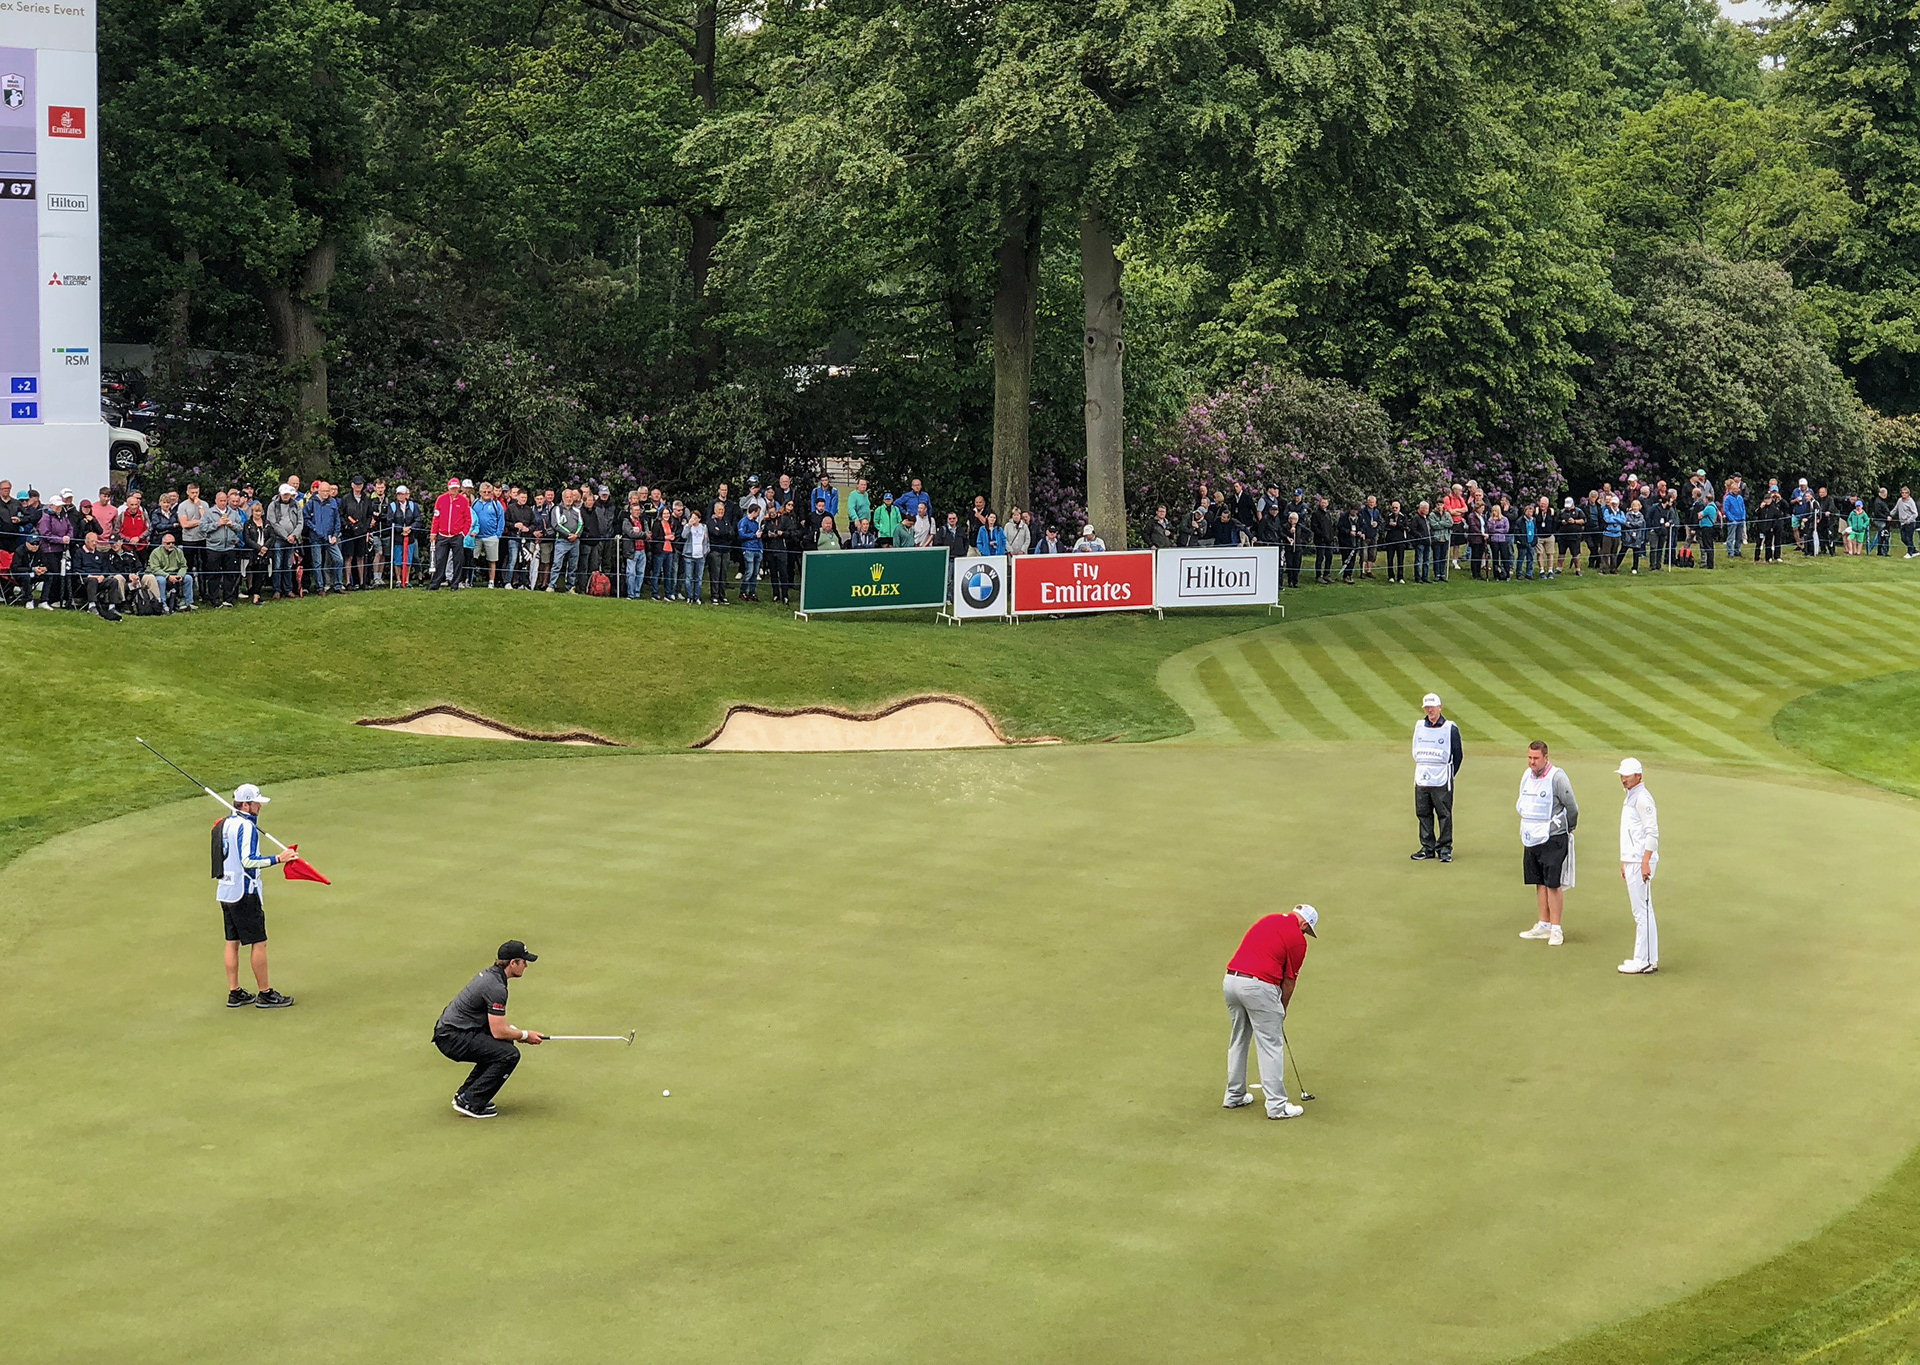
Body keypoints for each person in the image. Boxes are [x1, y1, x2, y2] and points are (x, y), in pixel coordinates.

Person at [1221, 904, 1318, 1120]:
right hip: (1258, 986)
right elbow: (1289, 981)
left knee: (1239, 1039)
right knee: (1270, 1044)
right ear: (1304, 923)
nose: (1305, 934)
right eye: (1306, 930)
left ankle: (1234, 1095)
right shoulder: (1297, 939)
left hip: (1231, 981)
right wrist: (1281, 1010)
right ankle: (1277, 1106)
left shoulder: (1269, 919)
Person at [433, 940, 545, 1119]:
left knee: (501, 1047)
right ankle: (471, 1101)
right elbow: (499, 1031)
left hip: (454, 1032)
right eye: (524, 962)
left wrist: (516, 1033)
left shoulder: (493, 976)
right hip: (453, 1037)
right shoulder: (496, 987)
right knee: (508, 1054)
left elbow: (497, 1027)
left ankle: (466, 1094)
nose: (526, 966)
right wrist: (525, 1035)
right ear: (513, 963)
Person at [214, 784, 296, 1009]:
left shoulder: (224, 823)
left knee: (232, 941)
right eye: (256, 802)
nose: (260, 806)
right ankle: (265, 993)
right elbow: (248, 861)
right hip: (245, 892)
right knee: (259, 942)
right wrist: (278, 859)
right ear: (246, 804)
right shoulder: (246, 827)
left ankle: (235, 992)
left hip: (226, 890)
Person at [1517, 741, 1579, 947]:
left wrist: (1567, 828)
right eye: (1529, 758)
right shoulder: (1527, 775)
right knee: (1539, 880)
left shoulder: (1557, 777)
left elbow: (1572, 808)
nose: (1531, 762)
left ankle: (1556, 928)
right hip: (1532, 836)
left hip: (1553, 836)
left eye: (1535, 758)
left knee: (1553, 883)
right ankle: (1543, 924)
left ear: (1546, 757)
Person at [1615, 758, 1660, 974]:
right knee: (1641, 910)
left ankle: (1645, 961)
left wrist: (1644, 862)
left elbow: (1652, 833)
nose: (1624, 779)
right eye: (1622, 775)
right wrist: (1625, 861)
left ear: (1639, 777)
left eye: (1628, 775)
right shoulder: (1631, 796)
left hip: (1641, 860)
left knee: (1642, 911)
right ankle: (1645, 958)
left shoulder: (1642, 798)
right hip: (1633, 859)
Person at [1410, 693, 1463, 862]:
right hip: (1422, 778)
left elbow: (1458, 755)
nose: (1430, 710)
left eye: (1432, 707)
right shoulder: (1419, 726)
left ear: (1440, 707)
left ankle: (1445, 848)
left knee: (1444, 814)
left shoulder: (1450, 728)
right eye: (1427, 707)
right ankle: (1428, 847)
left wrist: (1450, 775)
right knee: (1423, 813)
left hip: (1442, 779)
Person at [266, 483, 304, 599]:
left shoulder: (296, 505)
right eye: (285, 494)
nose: (287, 496)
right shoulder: (273, 505)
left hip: (292, 540)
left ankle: (288, 589)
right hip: (278, 539)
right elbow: (273, 522)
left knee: (288, 565)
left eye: (288, 494)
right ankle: (277, 590)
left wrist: (294, 535)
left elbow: (300, 522)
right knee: (277, 565)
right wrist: (285, 535)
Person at [147, 533, 194, 611]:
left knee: (188, 578)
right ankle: (163, 604)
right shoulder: (155, 552)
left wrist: (180, 575)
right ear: (163, 543)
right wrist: (168, 576)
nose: (171, 545)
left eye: (173, 543)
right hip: (160, 574)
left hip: (175, 573)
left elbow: (183, 566)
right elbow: (155, 569)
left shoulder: (178, 551)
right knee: (161, 580)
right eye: (168, 543)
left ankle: (188, 603)